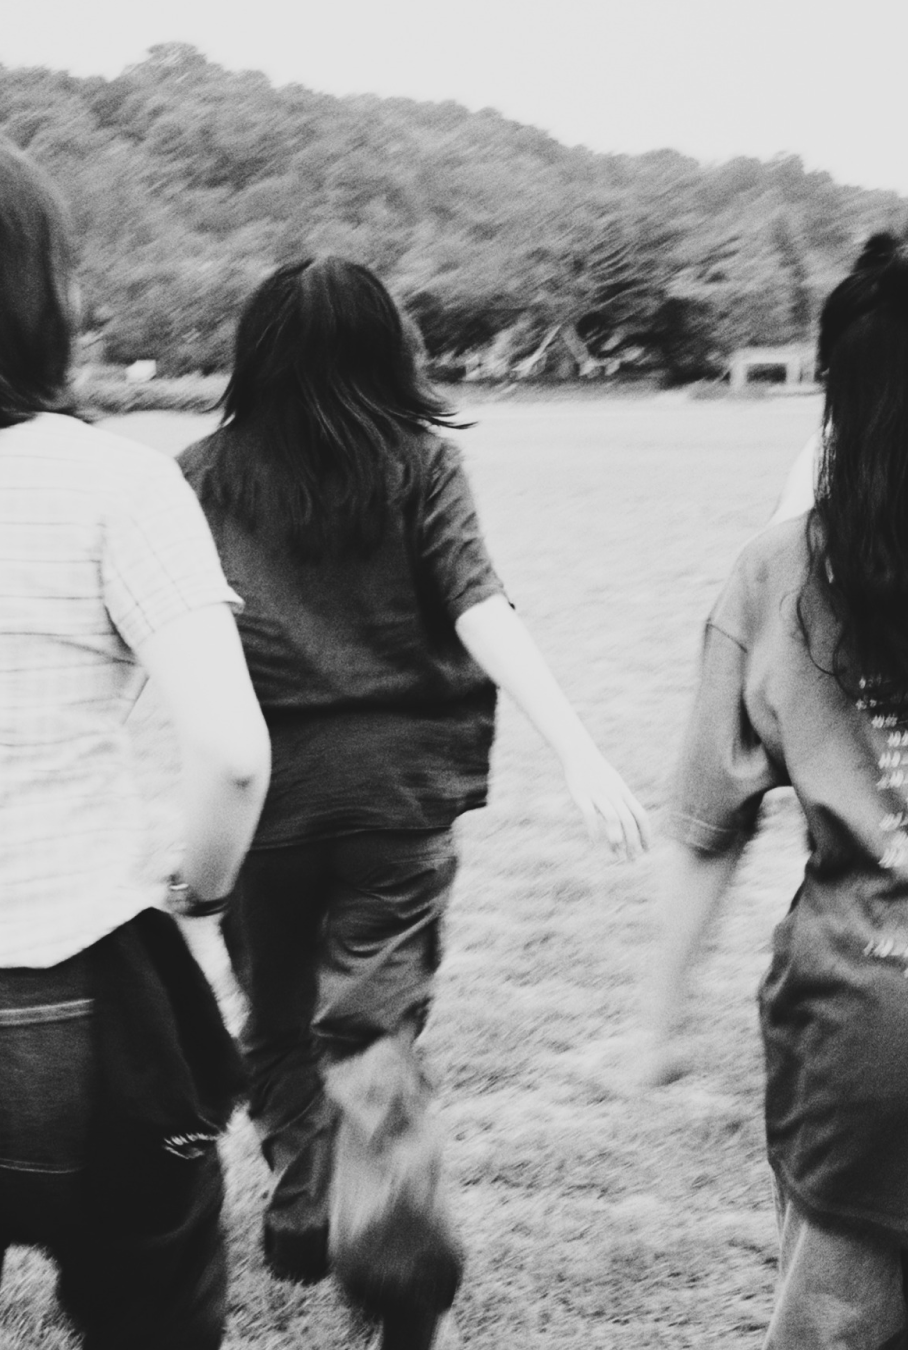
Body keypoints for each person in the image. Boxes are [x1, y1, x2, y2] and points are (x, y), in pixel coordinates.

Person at [178, 256, 649, 1349]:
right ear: (391, 350)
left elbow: (172, 641)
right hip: (398, 799)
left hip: (265, 802)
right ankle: (391, 1243)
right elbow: (479, 605)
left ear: (256, 354)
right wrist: (577, 747)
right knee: (370, 1023)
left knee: (275, 1014)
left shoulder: (200, 475)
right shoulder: (422, 464)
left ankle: (306, 1188)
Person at [0, 121, 271, 1349]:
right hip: (71, 999)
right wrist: (204, 886)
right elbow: (233, 753)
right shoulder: (116, 483)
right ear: (44, 291)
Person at [651, 233, 908, 1349]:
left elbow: (705, 827)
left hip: (863, 1030)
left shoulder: (777, 571)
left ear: (837, 392)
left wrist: (658, 1015)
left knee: (835, 1322)